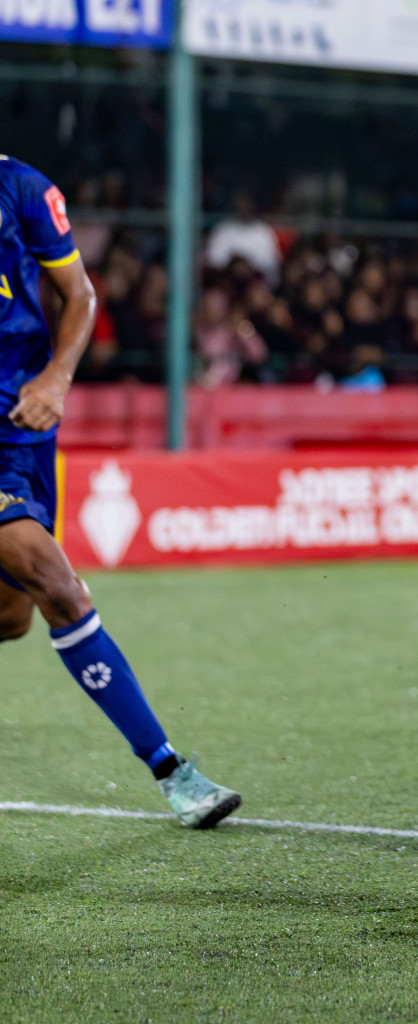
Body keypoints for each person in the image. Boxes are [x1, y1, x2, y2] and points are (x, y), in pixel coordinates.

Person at [0, 155, 242, 827]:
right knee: (57, 583)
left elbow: (80, 296)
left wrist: (55, 379)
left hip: (21, 428)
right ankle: (173, 771)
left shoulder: (23, 189)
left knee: (12, 618)